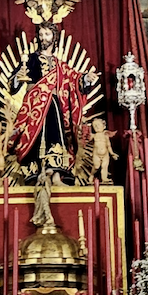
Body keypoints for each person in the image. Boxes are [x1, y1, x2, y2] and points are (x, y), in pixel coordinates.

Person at [10, 23, 98, 179]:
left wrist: (86, 79)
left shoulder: (59, 64)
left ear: (54, 37)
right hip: (35, 105)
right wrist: (18, 77)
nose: (43, 38)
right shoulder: (30, 59)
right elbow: (14, 83)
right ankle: (35, 171)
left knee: (55, 134)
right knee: (35, 136)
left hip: (54, 105)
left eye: (47, 34)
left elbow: (74, 78)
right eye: (41, 34)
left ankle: (56, 172)